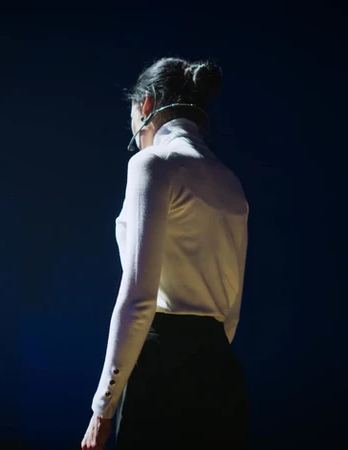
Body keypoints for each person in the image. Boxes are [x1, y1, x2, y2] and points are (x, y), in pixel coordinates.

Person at [81, 57, 249, 450]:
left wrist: (102, 408)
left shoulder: (152, 163)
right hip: (221, 373)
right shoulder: (231, 181)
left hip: (160, 372)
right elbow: (232, 311)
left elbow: (138, 298)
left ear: (146, 105)